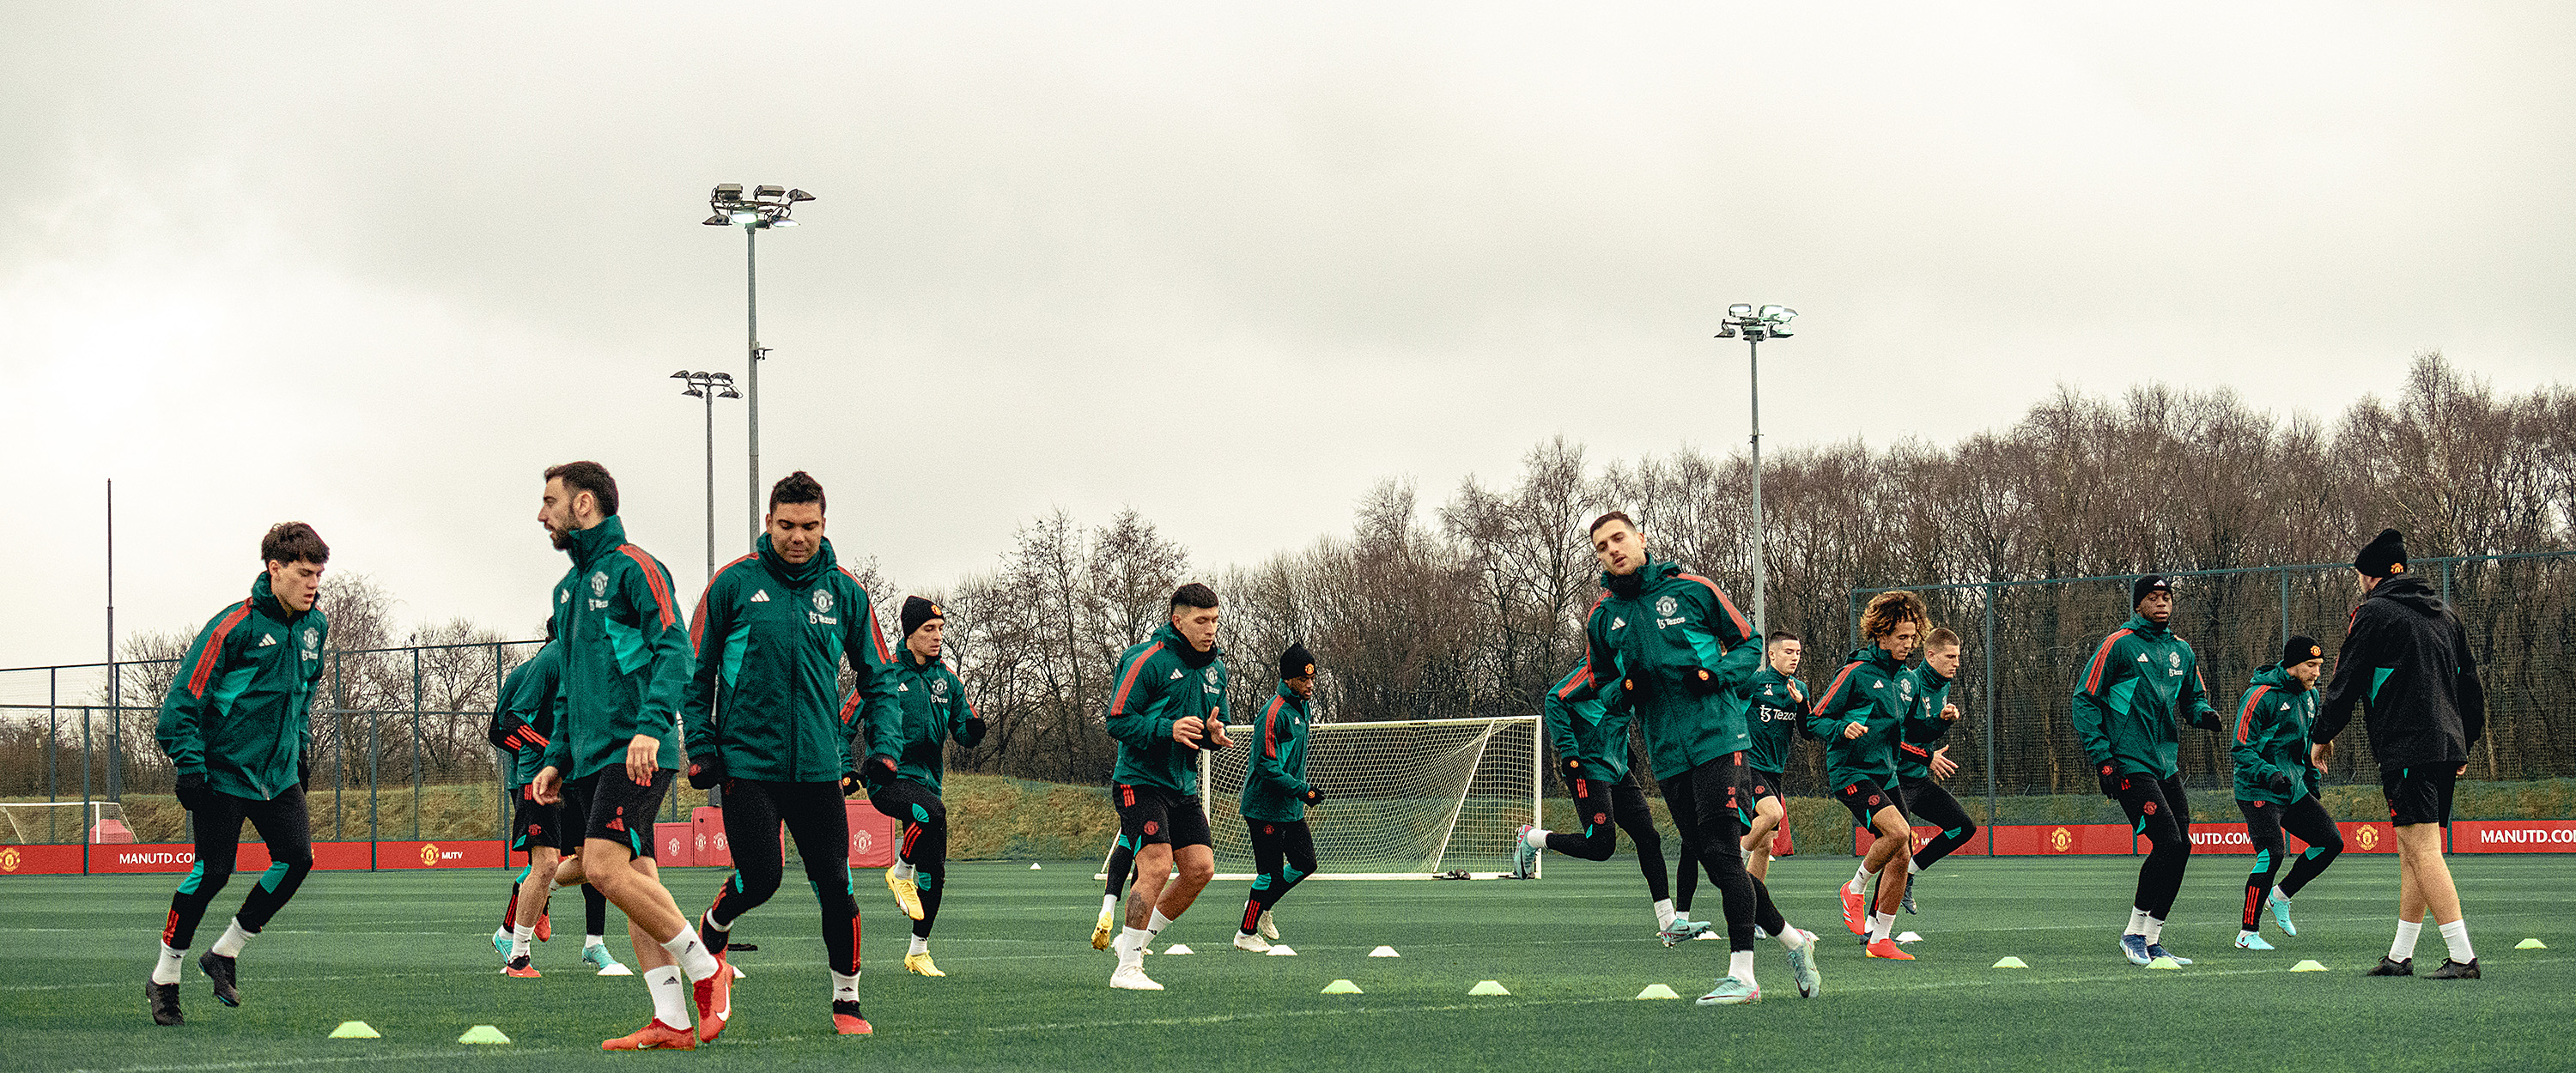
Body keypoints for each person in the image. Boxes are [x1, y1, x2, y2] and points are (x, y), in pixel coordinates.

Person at [680, 470, 901, 1034]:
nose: (797, 536)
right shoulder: (732, 585)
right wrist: (702, 745)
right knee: (762, 878)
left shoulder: (846, 592)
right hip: (747, 766)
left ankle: (847, 1002)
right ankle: (716, 924)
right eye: (786, 526)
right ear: (769, 523)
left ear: (824, 525)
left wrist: (884, 749)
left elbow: (880, 679)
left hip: (819, 768)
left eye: (809, 526)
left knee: (836, 883)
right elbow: (694, 674)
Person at [1576, 512, 1820, 1005]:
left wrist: (1715, 676)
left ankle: (1743, 976)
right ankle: (1793, 942)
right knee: (1713, 860)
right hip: (1666, 755)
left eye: (1619, 538)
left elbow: (1749, 644)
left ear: (1640, 538)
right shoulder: (1603, 619)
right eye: (1602, 547)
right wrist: (1626, 688)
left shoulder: (1692, 589)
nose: (1612, 551)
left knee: (1725, 852)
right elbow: (1603, 690)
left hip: (1719, 738)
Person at [526, 461, 727, 1051]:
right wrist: (556, 758)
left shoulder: (636, 568)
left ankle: (707, 970)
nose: (541, 515)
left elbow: (674, 650)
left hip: (639, 748)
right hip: (590, 757)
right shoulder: (567, 591)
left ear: (583, 505)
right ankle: (672, 1020)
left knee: (601, 867)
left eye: (549, 502)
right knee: (634, 875)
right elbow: (568, 686)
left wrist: (650, 726)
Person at [144, 523, 331, 1027]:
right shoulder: (234, 627)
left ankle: (224, 953)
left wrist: (302, 752)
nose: (314, 584)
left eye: (318, 574)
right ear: (274, 570)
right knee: (213, 874)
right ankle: (164, 977)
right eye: (303, 573)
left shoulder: (316, 628)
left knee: (296, 859)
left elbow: (303, 698)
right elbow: (181, 702)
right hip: (221, 774)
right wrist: (189, 764)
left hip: (277, 775)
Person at [2313, 530, 2487, 979]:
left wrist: (2322, 733)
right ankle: (2399, 955)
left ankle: (2463, 956)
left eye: (2358, 576)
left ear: (2369, 576)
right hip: (2445, 744)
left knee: (2421, 848)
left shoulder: (2373, 613)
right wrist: (2464, 741)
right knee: (2412, 848)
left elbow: (2346, 678)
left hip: (2407, 743)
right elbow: (2471, 686)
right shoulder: (2446, 615)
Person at [2072, 573, 2221, 967]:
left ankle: (2152, 940)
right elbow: (2084, 701)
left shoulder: (2182, 651)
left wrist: (2204, 715)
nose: (2162, 603)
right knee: (2169, 843)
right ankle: (2132, 933)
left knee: (2182, 847)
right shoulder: (2118, 645)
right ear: (2138, 605)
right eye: (2153, 597)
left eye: (2167, 597)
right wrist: (2103, 759)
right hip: (2128, 763)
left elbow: (2193, 698)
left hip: (2165, 763)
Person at [1101, 584, 1234, 991]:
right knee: (1157, 866)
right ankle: (1126, 969)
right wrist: (1167, 729)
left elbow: (1213, 725)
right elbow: (1117, 720)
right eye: (1201, 620)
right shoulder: (1147, 660)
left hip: (1182, 786)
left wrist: (1213, 734)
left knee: (1200, 870)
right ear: (1178, 621)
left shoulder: (1217, 669)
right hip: (1138, 782)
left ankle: (1135, 940)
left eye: (1214, 620)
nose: (1210, 628)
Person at [1514, 660, 1689, 943]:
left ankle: (1668, 923)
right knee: (1601, 847)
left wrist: (1628, 748)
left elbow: (1624, 713)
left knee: (1649, 836)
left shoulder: (1645, 667)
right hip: (1586, 767)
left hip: (1618, 768)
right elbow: (1554, 699)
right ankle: (1533, 838)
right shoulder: (1599, 667)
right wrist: (1569, 751)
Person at [863, 595, 987, 977]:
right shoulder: (884, 673)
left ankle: (918, 952)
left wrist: (973, 729)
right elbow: (844, 721)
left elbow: (963, 730)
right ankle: (900, 871)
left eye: (940, 630)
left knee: (934, 869)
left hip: (929, 784)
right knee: (932, 813)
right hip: (889, 781)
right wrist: (845, 769)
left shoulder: (946, 680)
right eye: (928, 630)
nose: (937, 637)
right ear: (910, 634)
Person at [1809, 591, 1923, 961]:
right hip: (1850, 771)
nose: (1909, 643)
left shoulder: (1905, 680)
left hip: (1884, 773)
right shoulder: (1856, 672)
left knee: (1902, 855)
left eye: (1912, 636)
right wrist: (1843, 727)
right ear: (1880, 635)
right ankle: (1854, 888)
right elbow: (1815, 719)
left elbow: (1909, 729)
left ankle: (1880, 940)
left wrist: (1940, 722)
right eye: (1901, 637)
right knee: (1899, 832)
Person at [2229, 634, 2344, 951]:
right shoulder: (2260, 695)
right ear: (2292, 665)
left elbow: (2306, 747)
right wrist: (2271, 774)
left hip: (2293, 788)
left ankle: (2280, 896)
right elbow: (2241, 749)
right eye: (2310, 665)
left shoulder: (2310, 697)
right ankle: (2246, 934)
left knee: (2330, 842)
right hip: (2258, 787)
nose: (2317, 672)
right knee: (2272, 853)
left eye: (2320, 666)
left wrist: (2312, 785)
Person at [1234, 643, 1325, 952]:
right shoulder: (1272, 714)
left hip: (1289, 807)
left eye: (1312, 678)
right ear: (1288, 679)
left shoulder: (1302, 707)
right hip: (1264, 808)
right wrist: (1304, 790)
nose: (1310, 684)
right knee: (1269, 874)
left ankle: (1262, 905)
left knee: (1305, 863)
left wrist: (1299, 793)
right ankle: (1245, 934)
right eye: (1303, 679)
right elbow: (1266, 766)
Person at [1891, 627, 1977, 914]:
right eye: (1950, 656)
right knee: (1896, 850)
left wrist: (1942, 721)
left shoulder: (1943, 684)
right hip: (1897, 781)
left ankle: (1910, 875)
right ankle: (1871, 928)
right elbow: (1897, 740)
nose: (1956, 662)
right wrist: (1928, 757)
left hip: (1919, 779)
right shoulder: (1910, 684)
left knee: (1962, 827)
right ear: (1930, 655)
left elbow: (1920, 731)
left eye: (1958, 656)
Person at [1742, 631, 1811, 887]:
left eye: (1798, 653)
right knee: (1772, 812)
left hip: (1774, 770)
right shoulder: (1756, 682)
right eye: (1788, 652)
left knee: (1766, 846)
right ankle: (1735, 861)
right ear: (1771, 654)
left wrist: (1802, 704)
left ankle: (1754, 904)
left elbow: (1806, 731)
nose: (1795, 657)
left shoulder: (1799, 688)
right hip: (1749, 764)